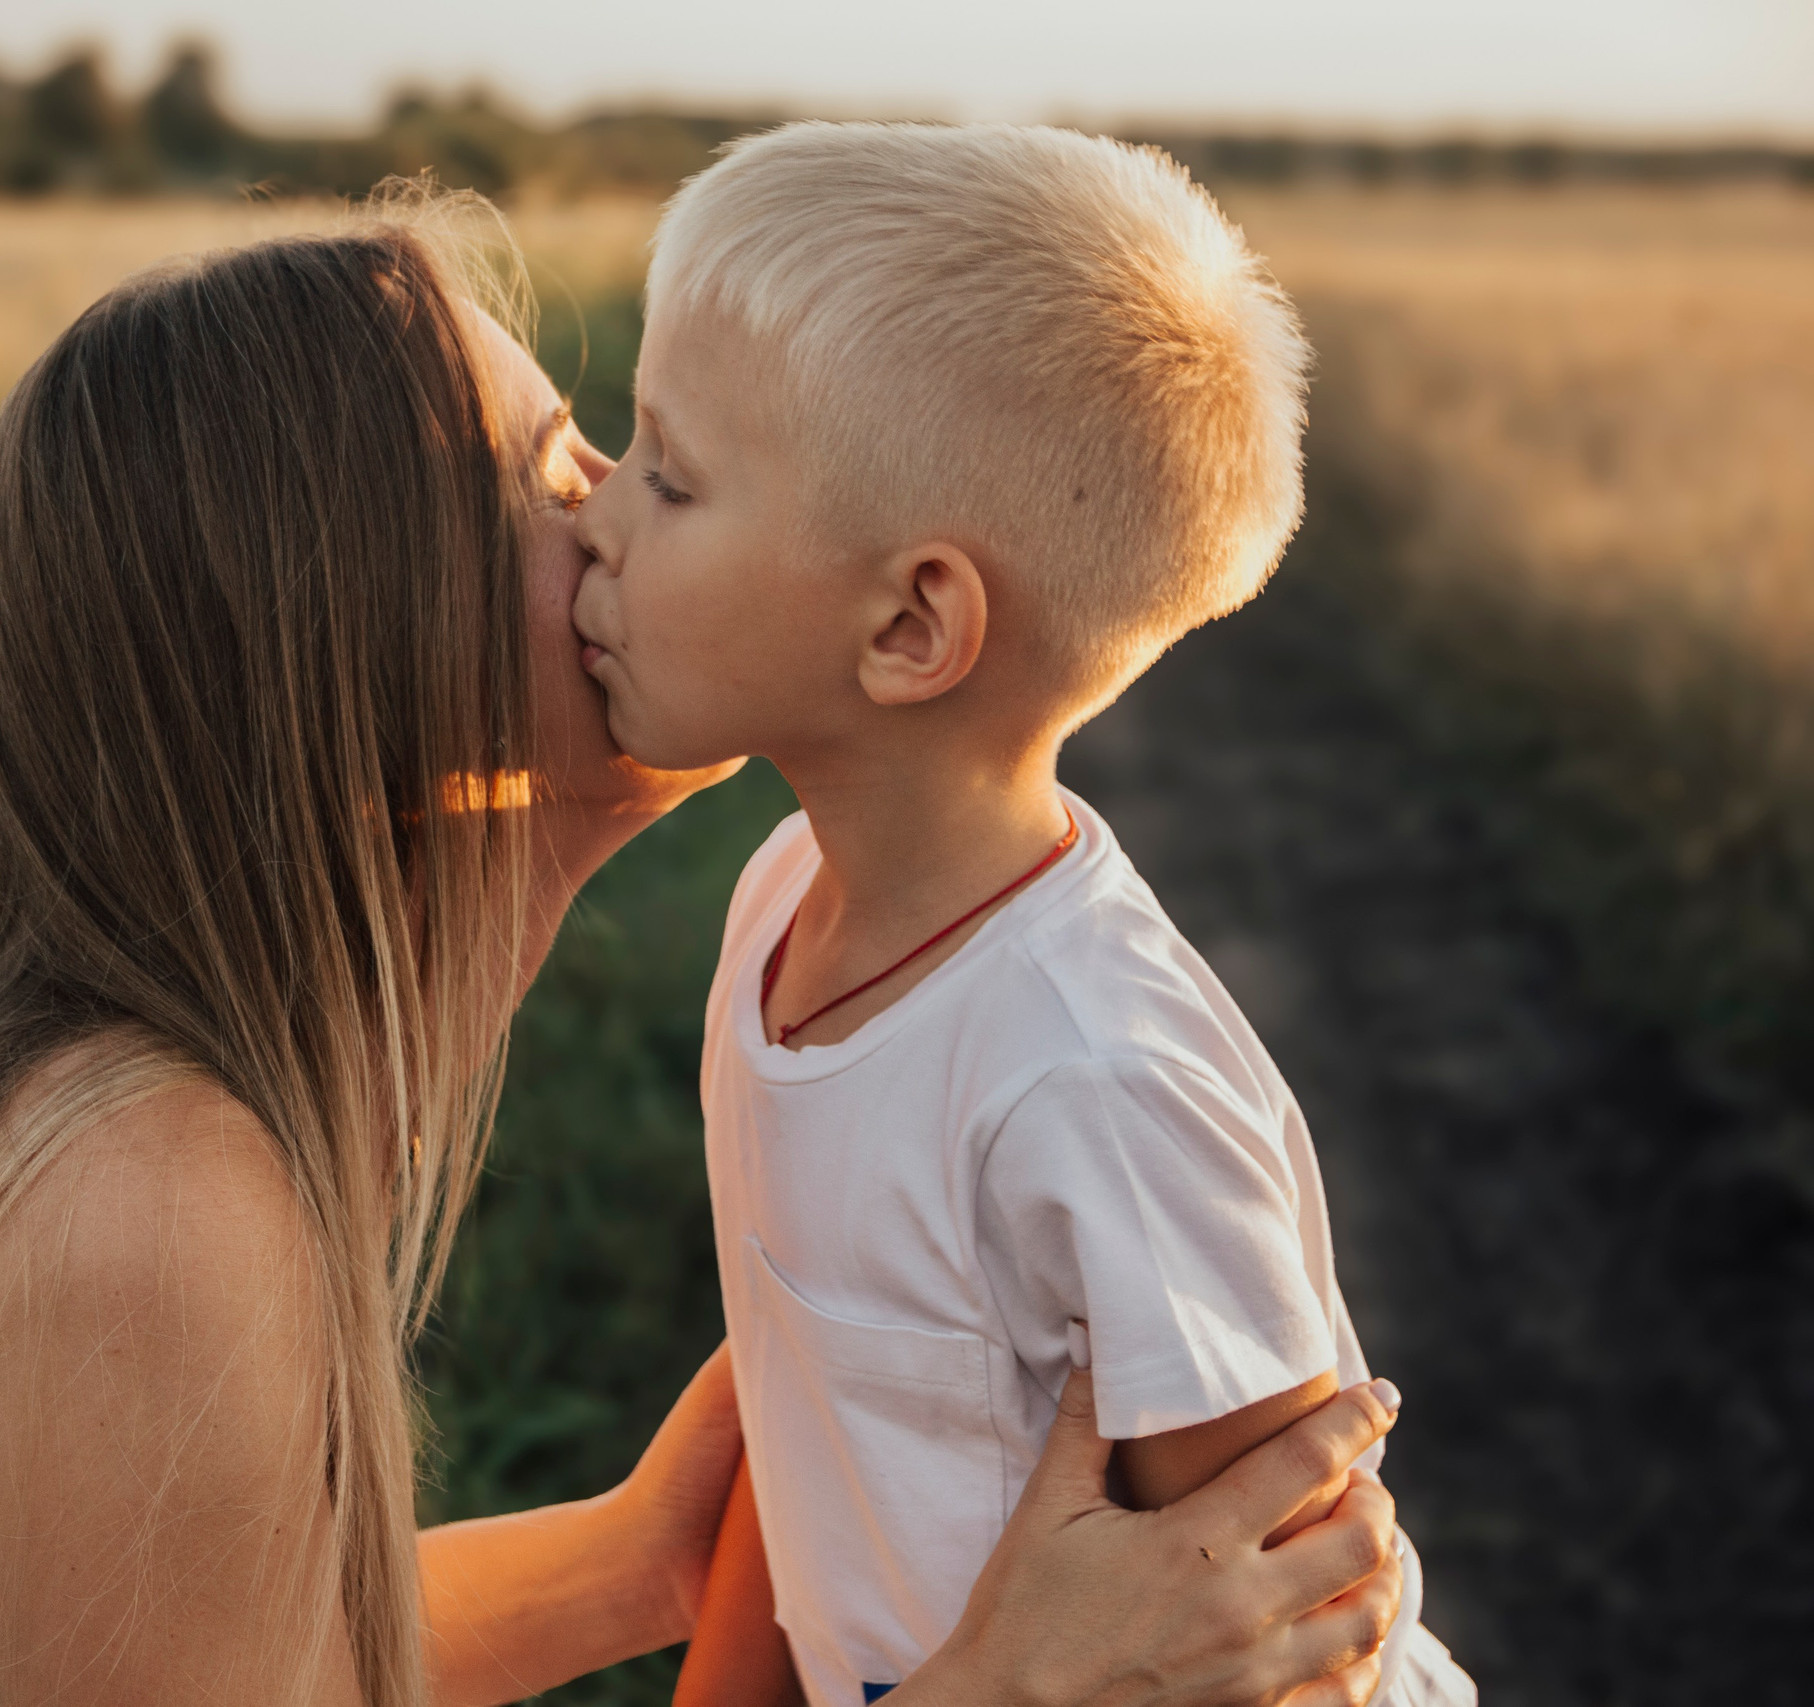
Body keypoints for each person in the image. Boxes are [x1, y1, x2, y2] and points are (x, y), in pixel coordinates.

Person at [0, 198, 1407, 1707]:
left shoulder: (41, 1100)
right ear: (362, 651)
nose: (624, 517)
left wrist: (638, 1560)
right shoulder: (134, 1203)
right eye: (560, 479)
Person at [571, 125, 1475, 1707]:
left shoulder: (1091, 1083)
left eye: (671, 471)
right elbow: (812, 1452)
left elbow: (1282, 1622)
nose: (598, 513)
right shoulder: (782, 900)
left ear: (911, 624)